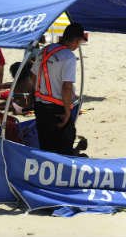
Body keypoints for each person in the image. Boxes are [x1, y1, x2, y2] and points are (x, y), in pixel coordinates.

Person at [31, 23, 86, 155]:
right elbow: (66, 87)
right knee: (63, 150)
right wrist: (67, 112)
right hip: (57, 109)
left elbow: (33, 76)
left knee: (46, 147)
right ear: (76, 41)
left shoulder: (45, 50)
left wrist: (37, 95)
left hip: (40, 106)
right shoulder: (68, 57)